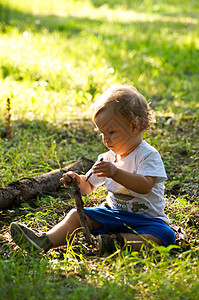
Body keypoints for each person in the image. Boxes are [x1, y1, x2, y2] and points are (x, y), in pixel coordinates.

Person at [10, 85, 176, 255]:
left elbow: (145, 185)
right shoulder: (107, 158)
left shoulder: (148, 156)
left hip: (146, 220)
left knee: (165, 235)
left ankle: (117, 242)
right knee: (76, 215)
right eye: (101, 133)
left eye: (111, 132)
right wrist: (77, 180)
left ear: (134, 126)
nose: (105, 139)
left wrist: (116, 173)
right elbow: (88, 186)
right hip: (112, 214)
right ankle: (44, 241)